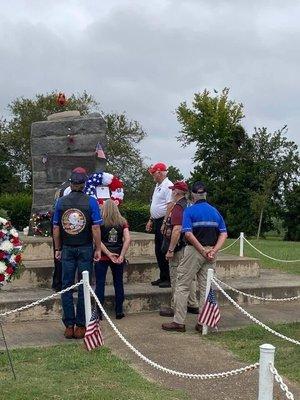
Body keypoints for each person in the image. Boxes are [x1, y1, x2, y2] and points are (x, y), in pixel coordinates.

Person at [162, 181, 227, 333]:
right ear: (205, 194)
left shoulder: (189, 212)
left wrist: (202, 250)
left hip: (193, 251)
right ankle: (202, 322)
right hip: (211, 252)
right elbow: (223, 233)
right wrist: (213, 251)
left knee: (182, 285)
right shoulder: (215, 211)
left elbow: (188, 233)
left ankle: (178, 322)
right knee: (205, 288)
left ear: (192, 195)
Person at [53, 167, 102, 339]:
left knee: (66, 286)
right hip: (85, 247)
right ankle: (81, 325)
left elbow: (56, 228)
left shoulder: (61, 202)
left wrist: (58, 248)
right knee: (83, 285)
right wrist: (97, 248)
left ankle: (69, 325)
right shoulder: (91, 202)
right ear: (84, 184)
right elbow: (95, 227)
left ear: (71, 183)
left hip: (67, 247)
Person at [159, 181, 198, 317]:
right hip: (188, 246)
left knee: (176, 277)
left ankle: (175, 307)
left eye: (172, 190)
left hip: (179, 248)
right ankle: (192, 304)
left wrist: (170, 250)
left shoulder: (178, 207)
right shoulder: (189, 204)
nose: (171, 192)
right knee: (190, 278)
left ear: (176, 192)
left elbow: (176, 229)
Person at [95, 199, 131, 319]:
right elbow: (127, 239)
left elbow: (97, 240)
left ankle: (99, 312)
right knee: (118, 283)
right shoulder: (123, 222)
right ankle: (119, 311)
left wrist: (108, 253)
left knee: (100, 284)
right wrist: (121, 255)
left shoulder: (100, 222)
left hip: (103, 256)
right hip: (118, 255)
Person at [146, 162, 173, 288]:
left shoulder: (168, 185)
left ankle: (168, 277)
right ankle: (163, 276)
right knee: (158, 250)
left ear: (159, 172)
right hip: (157, 220)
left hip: (164, 220)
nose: (152, 175)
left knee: (163, 249)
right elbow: (155, 205)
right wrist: (151, 219)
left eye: (153, 172)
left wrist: (164, 222)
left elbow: (169, 205)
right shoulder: (158, 185)